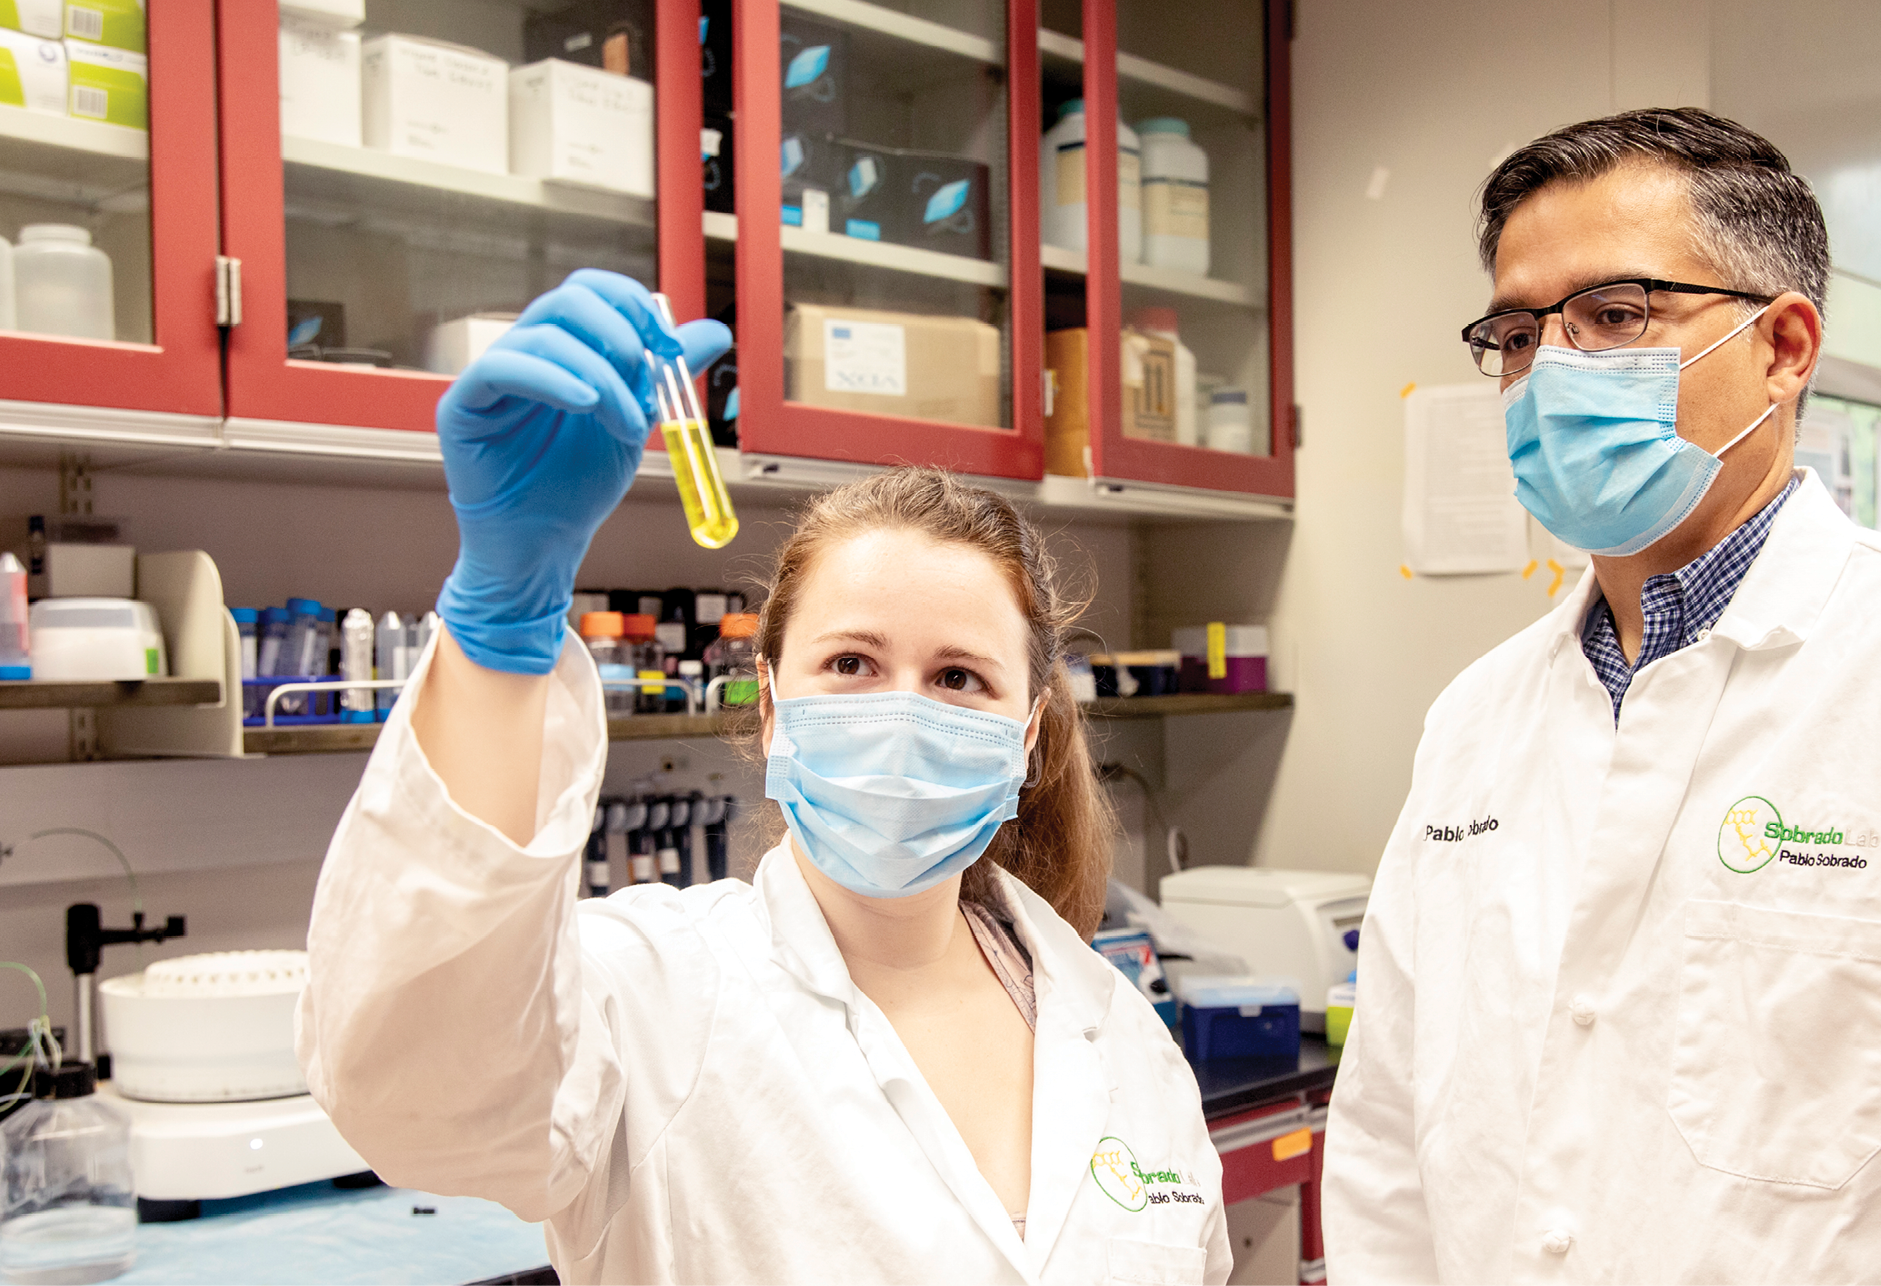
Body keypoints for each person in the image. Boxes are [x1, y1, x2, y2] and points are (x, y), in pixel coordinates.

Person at [1323, 108, 1881, 1282]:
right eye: (1518, 336)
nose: (1550, 372)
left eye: (1615, 316)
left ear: (1781, 347)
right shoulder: (1476, 718)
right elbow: (1388, 1147)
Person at [295, 270, 1228, 1286]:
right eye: (852, 663)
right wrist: (499, 629)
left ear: (1027, 730)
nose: (901, 713)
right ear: (773, 703)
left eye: (957, 676)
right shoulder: (655, 995)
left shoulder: (1117, 1029)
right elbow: (427, 1092)